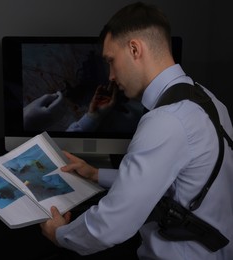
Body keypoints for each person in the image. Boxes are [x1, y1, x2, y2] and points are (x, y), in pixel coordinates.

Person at [40, 2, 233, 259]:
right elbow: (169, 177)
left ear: (134, 49)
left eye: (111, 60)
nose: (110, 75)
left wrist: (59, 234)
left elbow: (111, 225)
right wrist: (96, 174)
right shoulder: (207, 100)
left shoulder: (166, 120)